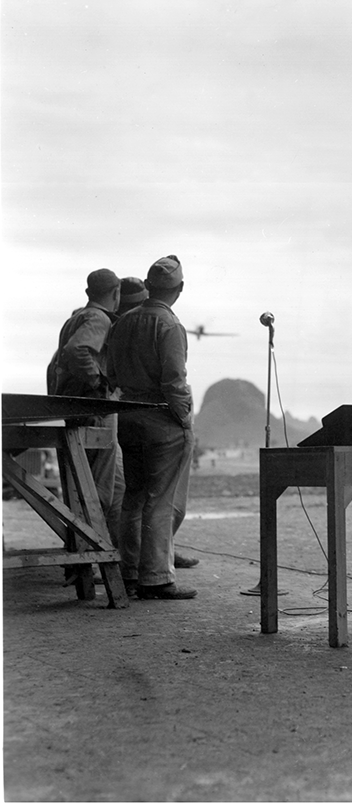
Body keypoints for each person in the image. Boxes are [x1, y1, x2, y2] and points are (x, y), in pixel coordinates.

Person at [106, 255, 197, 600]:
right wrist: (183, 418)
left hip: (128, 416)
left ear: (148, 285)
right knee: (160, 501)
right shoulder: (169, 325)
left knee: (133, 496)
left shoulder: (123, 322)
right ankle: (156, 578)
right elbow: (174, 380)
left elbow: (112, 374)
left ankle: (128, 572)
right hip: (161, 420)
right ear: (180, 289)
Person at [48, 268, 124, 545]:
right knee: (97, 491)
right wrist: (99, 386)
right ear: (116, 294)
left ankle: (106, 554)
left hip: (76, 410)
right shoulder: (98, 318)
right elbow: (77, 350)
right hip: (94, 412)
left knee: (113, 486)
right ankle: (88, 554)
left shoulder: (76, 318)